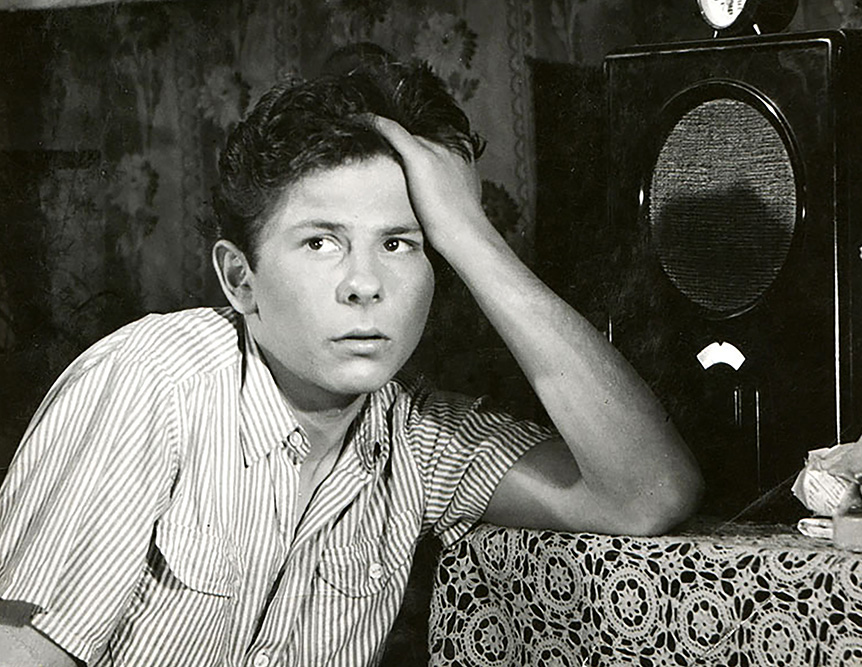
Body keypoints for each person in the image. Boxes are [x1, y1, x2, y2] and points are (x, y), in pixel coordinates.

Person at [0, 55, 703, 667]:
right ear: (240, 280)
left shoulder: (419, 441)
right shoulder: (149, 384)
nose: (365, 284)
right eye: (321, 242)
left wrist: (470, 233)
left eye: (400, 243)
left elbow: (649, 491)